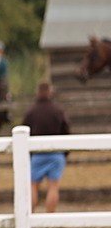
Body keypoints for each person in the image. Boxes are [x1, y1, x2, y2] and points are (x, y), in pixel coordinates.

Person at [22, 81, 70, 213]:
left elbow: (25, 129)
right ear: (50, 92)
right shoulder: (58, 110)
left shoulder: (31, 111)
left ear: (37, 92)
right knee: (53, 186)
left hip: (37, 154)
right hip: (56, 153)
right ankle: (50, 217)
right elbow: (66, 131)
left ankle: (29, 216)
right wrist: (65, 152)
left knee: (33, 186)